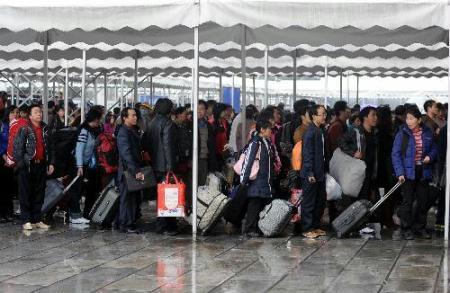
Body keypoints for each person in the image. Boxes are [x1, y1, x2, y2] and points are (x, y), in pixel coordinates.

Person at [391, 106, 438, 240]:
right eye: (407, 118)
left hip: (423, 170)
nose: (408, 121)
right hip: (407, 172)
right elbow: (396, 154)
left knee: (423, 200)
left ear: (418, 119)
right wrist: (400, 172)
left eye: (411, 119)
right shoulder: (402, 134)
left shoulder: (427, 133)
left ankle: (420, 227)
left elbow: (434, 149)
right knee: (408, 201)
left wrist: (430, 156)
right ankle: (406, 228)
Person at [13, 105, 54, 230]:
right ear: (30, 116)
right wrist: (21, 165)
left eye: (40, 112)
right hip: (27, 165)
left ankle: (37, 219)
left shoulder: (45, 128)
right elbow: (17, 148)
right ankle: (26, 219)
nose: (39, 114)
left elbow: (51, 147)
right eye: (36, 112)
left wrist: (51, 163)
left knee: (39, 193)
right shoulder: (24, 128)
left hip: (41, 164)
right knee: (26, 193)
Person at [142, 98, 178, 234]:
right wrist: (171, 167)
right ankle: (167, 225)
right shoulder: (167, 124)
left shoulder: (152, 122)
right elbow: (168, 147)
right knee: (168, 196)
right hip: (164, 166)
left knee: (160, 195)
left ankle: (161, 223)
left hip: (154, 165)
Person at [241, 119, 274, 237]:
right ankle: (249, 229)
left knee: (260, 204)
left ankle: (257, 228)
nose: (271, 131)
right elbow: (248, 161)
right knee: (254, 204)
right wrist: (244, 180)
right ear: (262, 130)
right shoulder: (256, 143)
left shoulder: (266, 142)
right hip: (256, 180)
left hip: (264, 179)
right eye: (269, 129)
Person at [338, 106, 378, 202]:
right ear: (365, 117)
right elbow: (340, 141)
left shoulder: (375, 132)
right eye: (373, 115)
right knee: (359, 199)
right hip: (359, 172)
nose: (376, 117)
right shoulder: (356, 131)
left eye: (376, 115)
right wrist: (353, 153)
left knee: (368, 198)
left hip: (371, 171)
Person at [300, 105, 327, 239]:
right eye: (321, 114)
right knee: (309, 201)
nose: (324, 116)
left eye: (324, 114)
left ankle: (315, 226)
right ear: (314, 116)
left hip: (320, 172)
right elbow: (308, 154)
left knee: (320, 200)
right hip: (311, 173)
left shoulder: (319, 130)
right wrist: (310, 172)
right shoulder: (311, 132)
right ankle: (307, 228)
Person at [72, 108, 102, 223]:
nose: (99, 122)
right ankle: (75, 215)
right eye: (98, 119)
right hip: (79, 165)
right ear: (94, 119)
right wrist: (79, 166)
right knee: (77, 189)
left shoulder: (92, 130)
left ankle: (84, 214)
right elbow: (79, 149)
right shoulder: (84, 131)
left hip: (86, 165)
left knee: (85, 189)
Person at [117, 107, 143, 234]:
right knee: (127, 199)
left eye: (135, 115)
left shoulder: (132, 130)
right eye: (132, 115)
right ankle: (125, 224)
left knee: (132, 198)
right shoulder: (123, 132)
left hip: (132, 170)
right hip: (127, 171)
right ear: (124, 118)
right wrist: (135, 170)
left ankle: (130, 222)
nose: (135, 117)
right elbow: (126, 154)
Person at [0, 105, 19, 222]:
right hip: (2, 159)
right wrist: (4, 155)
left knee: (9, 187)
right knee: (1, 186)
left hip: (12, 160)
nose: (15, 114)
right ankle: (1, 213)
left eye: (17, 112)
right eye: (12, 112)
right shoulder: (3, 126)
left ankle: (8, 212)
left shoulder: (19, 127)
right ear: (8, 114)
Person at [197, 100, 218, 186]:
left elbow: (211, 144)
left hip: (204, 158)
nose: (199, 111)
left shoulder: (208, 125)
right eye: (197, 108)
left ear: (205, 111)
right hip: (192, 160)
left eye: (202, 108)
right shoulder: (189, 124)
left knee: (202, 184)